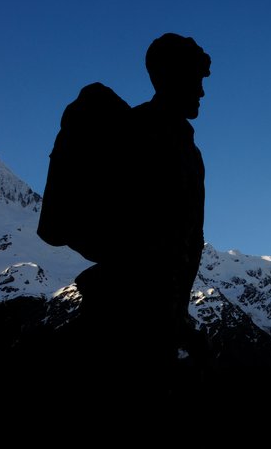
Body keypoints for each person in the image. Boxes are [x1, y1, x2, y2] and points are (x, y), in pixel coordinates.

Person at [73, 33, 210, 399]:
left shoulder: (187, 150)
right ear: (171, 77)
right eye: (195, 79)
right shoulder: (136, 135)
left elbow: (188, 237)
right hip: (127, 316)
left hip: (155, 316)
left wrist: (176, 313)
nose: (201, 91)